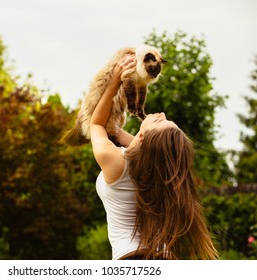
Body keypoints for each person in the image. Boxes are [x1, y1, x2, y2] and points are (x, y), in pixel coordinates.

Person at [90, 54, 218, 260]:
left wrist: (114, 81)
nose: (162, 115)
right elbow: (120, 136)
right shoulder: (161, 171)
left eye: (160, 123)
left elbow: (96, 124)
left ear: (142, 137)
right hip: (162, 257)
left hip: (132, 260)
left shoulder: (115, 161)